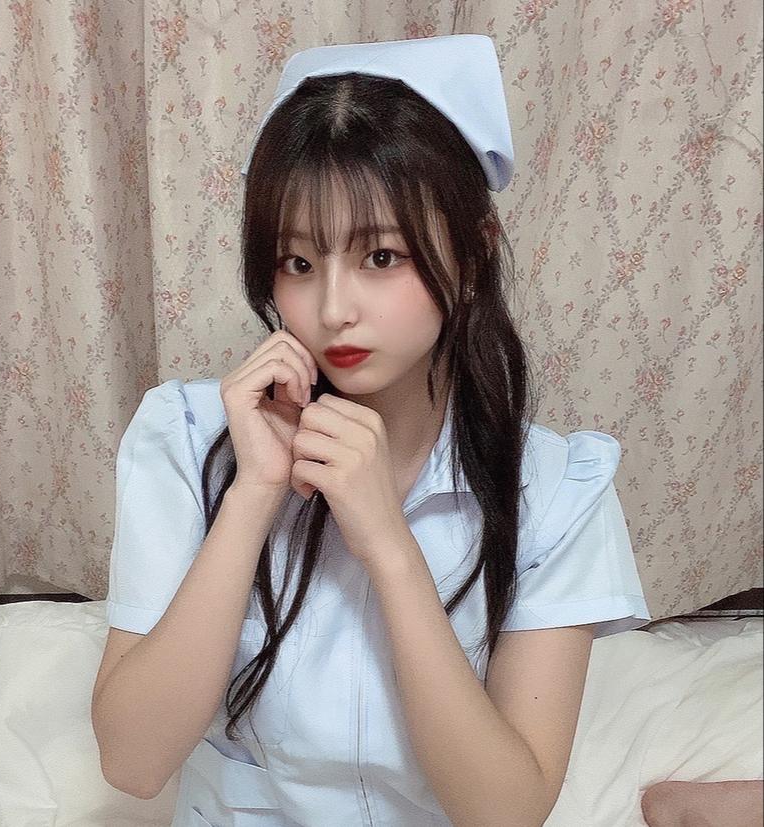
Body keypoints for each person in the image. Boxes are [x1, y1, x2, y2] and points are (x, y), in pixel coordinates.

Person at [91, 35, 653, 826]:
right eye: (297, 263)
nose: (332, 309)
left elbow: (506, 809)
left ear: (472, 254)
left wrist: (389, 547)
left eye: (381, 256)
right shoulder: (186, 437)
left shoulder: (556, 489)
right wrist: (253, 494)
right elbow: (133, 761)